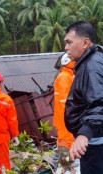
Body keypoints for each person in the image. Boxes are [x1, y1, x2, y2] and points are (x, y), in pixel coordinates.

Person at [64, 21, 103, 173]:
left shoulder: (91, 65)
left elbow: (99, 102)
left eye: (69, 42)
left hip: (95, 143)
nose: (66, 48)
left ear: (85, 42)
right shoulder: (89, 62)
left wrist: (84, 134)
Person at [53, 53, 80, 173]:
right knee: (72, 163)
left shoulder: (67, 76)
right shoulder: (65, 77)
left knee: (65, 164)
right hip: (67, 128)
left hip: (66, 128)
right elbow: (66, 105)